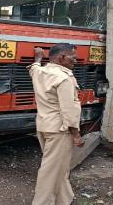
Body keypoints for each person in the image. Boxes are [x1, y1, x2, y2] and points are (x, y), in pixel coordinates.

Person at [28, 43, 84, 205]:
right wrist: (76, 135)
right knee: (51, 170)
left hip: (44, 126)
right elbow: (69, 110)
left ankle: (65, 199)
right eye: (73, 58)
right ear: (62, 57)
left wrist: (38, 57)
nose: (75, 61)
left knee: (58, 166)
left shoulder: (41, 71)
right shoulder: (64, 78)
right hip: (60, 130)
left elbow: (34, 68)